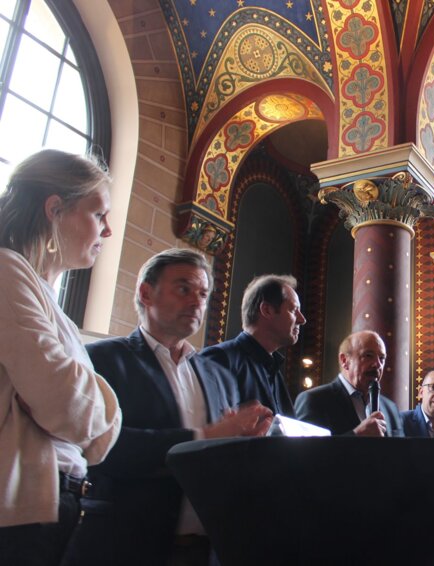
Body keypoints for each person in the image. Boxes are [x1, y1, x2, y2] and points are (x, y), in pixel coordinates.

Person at [63, 248, 273, 566]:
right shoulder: (102, 360)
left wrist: (246, 442)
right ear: (146, 293)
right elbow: (104, 447)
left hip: (207, 548)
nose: (197, 302)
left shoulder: (219, 375)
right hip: (125, 546)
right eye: (184, 289)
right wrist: (206, 436)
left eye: (203, 293)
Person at [0, 150, 122, 566]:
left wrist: (81, 403)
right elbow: (63, 400)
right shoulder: (7, 271)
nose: (108, 230)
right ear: (55, 209)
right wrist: (102, 404)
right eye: (99, 214)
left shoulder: (55, 311)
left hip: (55, 501)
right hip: (18, 511)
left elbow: (82, 426)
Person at [201, 274, 306, 417]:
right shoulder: (219, 359)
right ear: (267, 310)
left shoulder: (274, 370)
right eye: (294, 310)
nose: (302, 319)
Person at [294, 330, 403, 436]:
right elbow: (308, 448)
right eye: (368, 355)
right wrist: (356, 435)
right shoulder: (314, 401)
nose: (377, 364)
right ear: (344, 360)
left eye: (382, 358)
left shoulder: (390, 408)